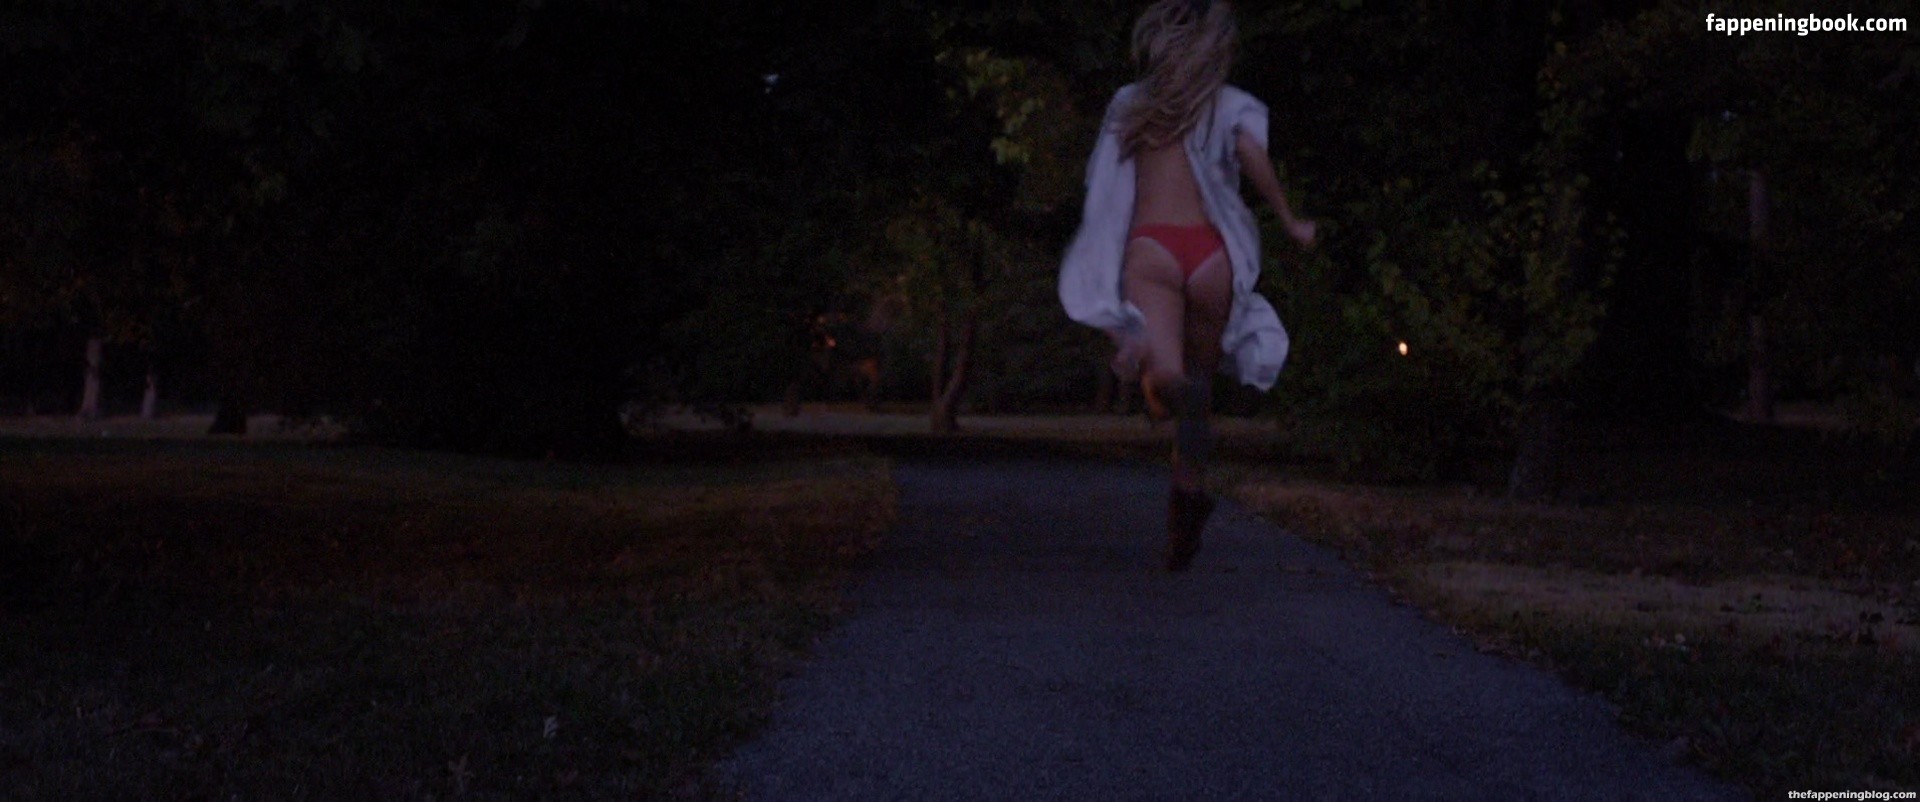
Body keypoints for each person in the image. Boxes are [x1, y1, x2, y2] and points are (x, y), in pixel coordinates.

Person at [1059, 0, 1316, 571]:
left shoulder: (1132, 103)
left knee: (1168, 380)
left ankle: (1160, 386)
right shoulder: (1223, 103)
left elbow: (1105, 184)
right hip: (1211, 256)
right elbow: (1251, 155)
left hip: (1153, 249)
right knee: (1198, 390)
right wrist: (1289, 219)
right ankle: (1187, 499)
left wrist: (1109, 294)